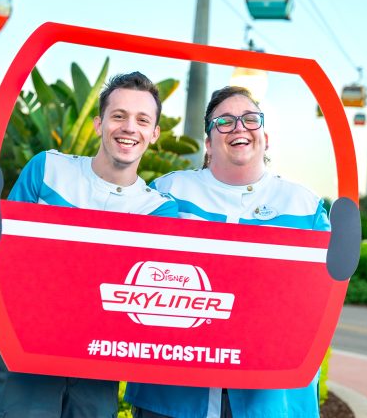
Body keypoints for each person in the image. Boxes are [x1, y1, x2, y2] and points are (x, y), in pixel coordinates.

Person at [0, 71, 178, 418]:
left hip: (102, 360)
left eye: (142, 120)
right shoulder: (47, 169)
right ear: (98, 123)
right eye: (118, 116)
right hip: (29, 349)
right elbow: (6, 255)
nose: (128, 128)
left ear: (153, 134)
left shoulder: (160, 210)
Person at [125, 86, 330, 418]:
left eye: (250, 119)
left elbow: (321, 295)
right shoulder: (169, 191)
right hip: (173, 392)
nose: (239, 127)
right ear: (208, 142)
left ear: (266, 135)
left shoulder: (303, 205)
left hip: (265, 393)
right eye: (224, 122)